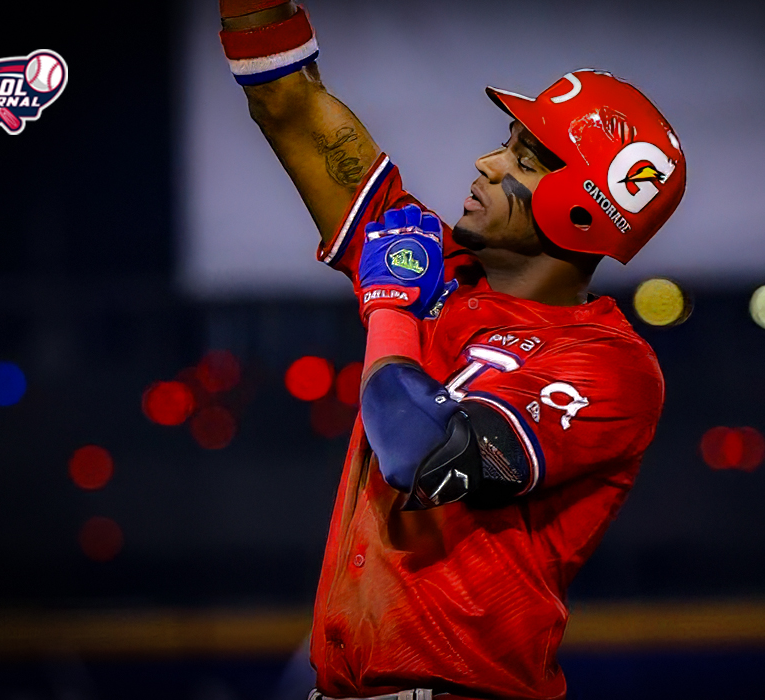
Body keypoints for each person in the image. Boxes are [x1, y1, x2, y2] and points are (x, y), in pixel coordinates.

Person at [218, 2, 686, 698]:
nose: (487, 163)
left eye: (523, 159)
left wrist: (388, 303)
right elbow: (287, 104)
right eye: (506, 143)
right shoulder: (432, 261)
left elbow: (421, 454)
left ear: (583, 206)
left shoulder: (609, 365)